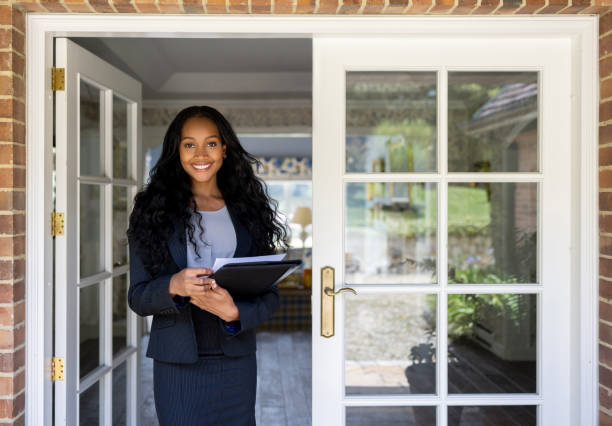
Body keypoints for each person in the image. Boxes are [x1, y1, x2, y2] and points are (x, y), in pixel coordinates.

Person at [126, 105, 288, 426]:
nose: (201, 153)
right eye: (190, 144)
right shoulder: (150, 212)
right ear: (177, 150)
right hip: (177, 364)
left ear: (224, 149)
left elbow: (270, 296)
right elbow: (138, 297)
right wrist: (174, 286)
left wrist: (234, 314)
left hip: (236, 362)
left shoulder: (248, 211)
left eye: (211, 143)